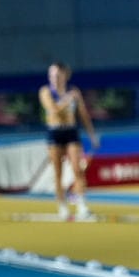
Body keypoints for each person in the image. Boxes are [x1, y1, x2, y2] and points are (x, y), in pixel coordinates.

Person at [39, 62, 99, 220]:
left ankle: (82, 205)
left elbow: (83, 115)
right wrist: (68, 99)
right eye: (51, 75)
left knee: (77, 169)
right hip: (55, 133)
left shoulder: (73, 91)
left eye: (57, 75)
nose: (54, 78)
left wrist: (92, 136)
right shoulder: (46, 92)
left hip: (71, 132)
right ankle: (62, 206)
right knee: (58, 173)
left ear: (65, 75)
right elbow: (54, 111)